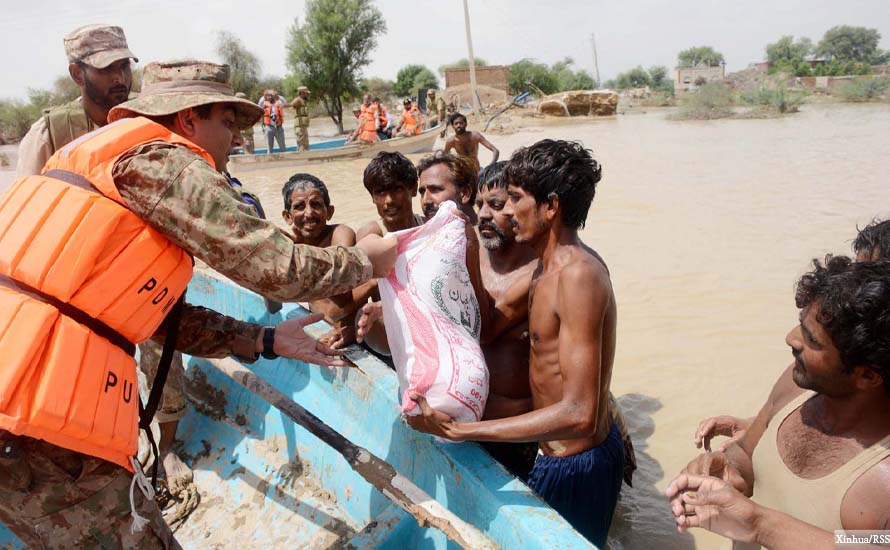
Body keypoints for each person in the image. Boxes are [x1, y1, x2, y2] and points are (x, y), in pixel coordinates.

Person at [0, 59, 396, 548]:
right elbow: (280, 269)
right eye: (227, 123)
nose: (235, 140)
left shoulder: (93, 159)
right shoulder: (165, 159)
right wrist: (365, 260)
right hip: (35, 423)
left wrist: (263, 339)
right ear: (188, 119)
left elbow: (158, 321)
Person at [405, 140, 623, 547]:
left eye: (517, 199)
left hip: (577, 461)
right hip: (553, 453)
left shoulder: (578, 276)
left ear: (551, 207)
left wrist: (464, 431)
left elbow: (581, 414)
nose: (507, 210)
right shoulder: (545, 267)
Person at [668, 256, 890, 549]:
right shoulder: (795, 385)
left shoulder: (881, 480)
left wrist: (761, 526)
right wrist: (728, 469)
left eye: (812, 340)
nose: (791, 339)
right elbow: (747, 454)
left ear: (867, 376)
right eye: (801, 326)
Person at [692, 217, 890, 453]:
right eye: (856, 275)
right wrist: (758, 426)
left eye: (870, 281)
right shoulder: (836, 357)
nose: (853, 289)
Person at [16, 24, 138, 178]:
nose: (120, 78)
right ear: (77, 74)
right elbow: (28, 197)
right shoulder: (49, 134)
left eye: (124, 66)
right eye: (106, 69)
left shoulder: (150, 114)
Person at [281, 173, 358, 347]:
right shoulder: (290, 245)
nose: (309, 213)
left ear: (329, 211)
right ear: (288, 216)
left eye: (316, 204)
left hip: (350, 331)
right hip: (322, 330)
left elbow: (341, 294)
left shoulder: (340, 233)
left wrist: (300, 253)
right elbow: (272, 303)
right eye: (299, 206)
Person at [417, 152, 478, 224]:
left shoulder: (488, 234)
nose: (426, 201)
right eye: (422, 192)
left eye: (435, 189)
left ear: (464, 193)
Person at [290, 86, 311, 151]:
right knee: (301, 143)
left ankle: (306, 157)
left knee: (305, 143)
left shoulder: (303, 101)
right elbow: (292, 105)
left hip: (303, 126)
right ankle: (302, 157)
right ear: (302, 93)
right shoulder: (298, 100)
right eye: (306, 93)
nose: (307, 95)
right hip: (300, 127)